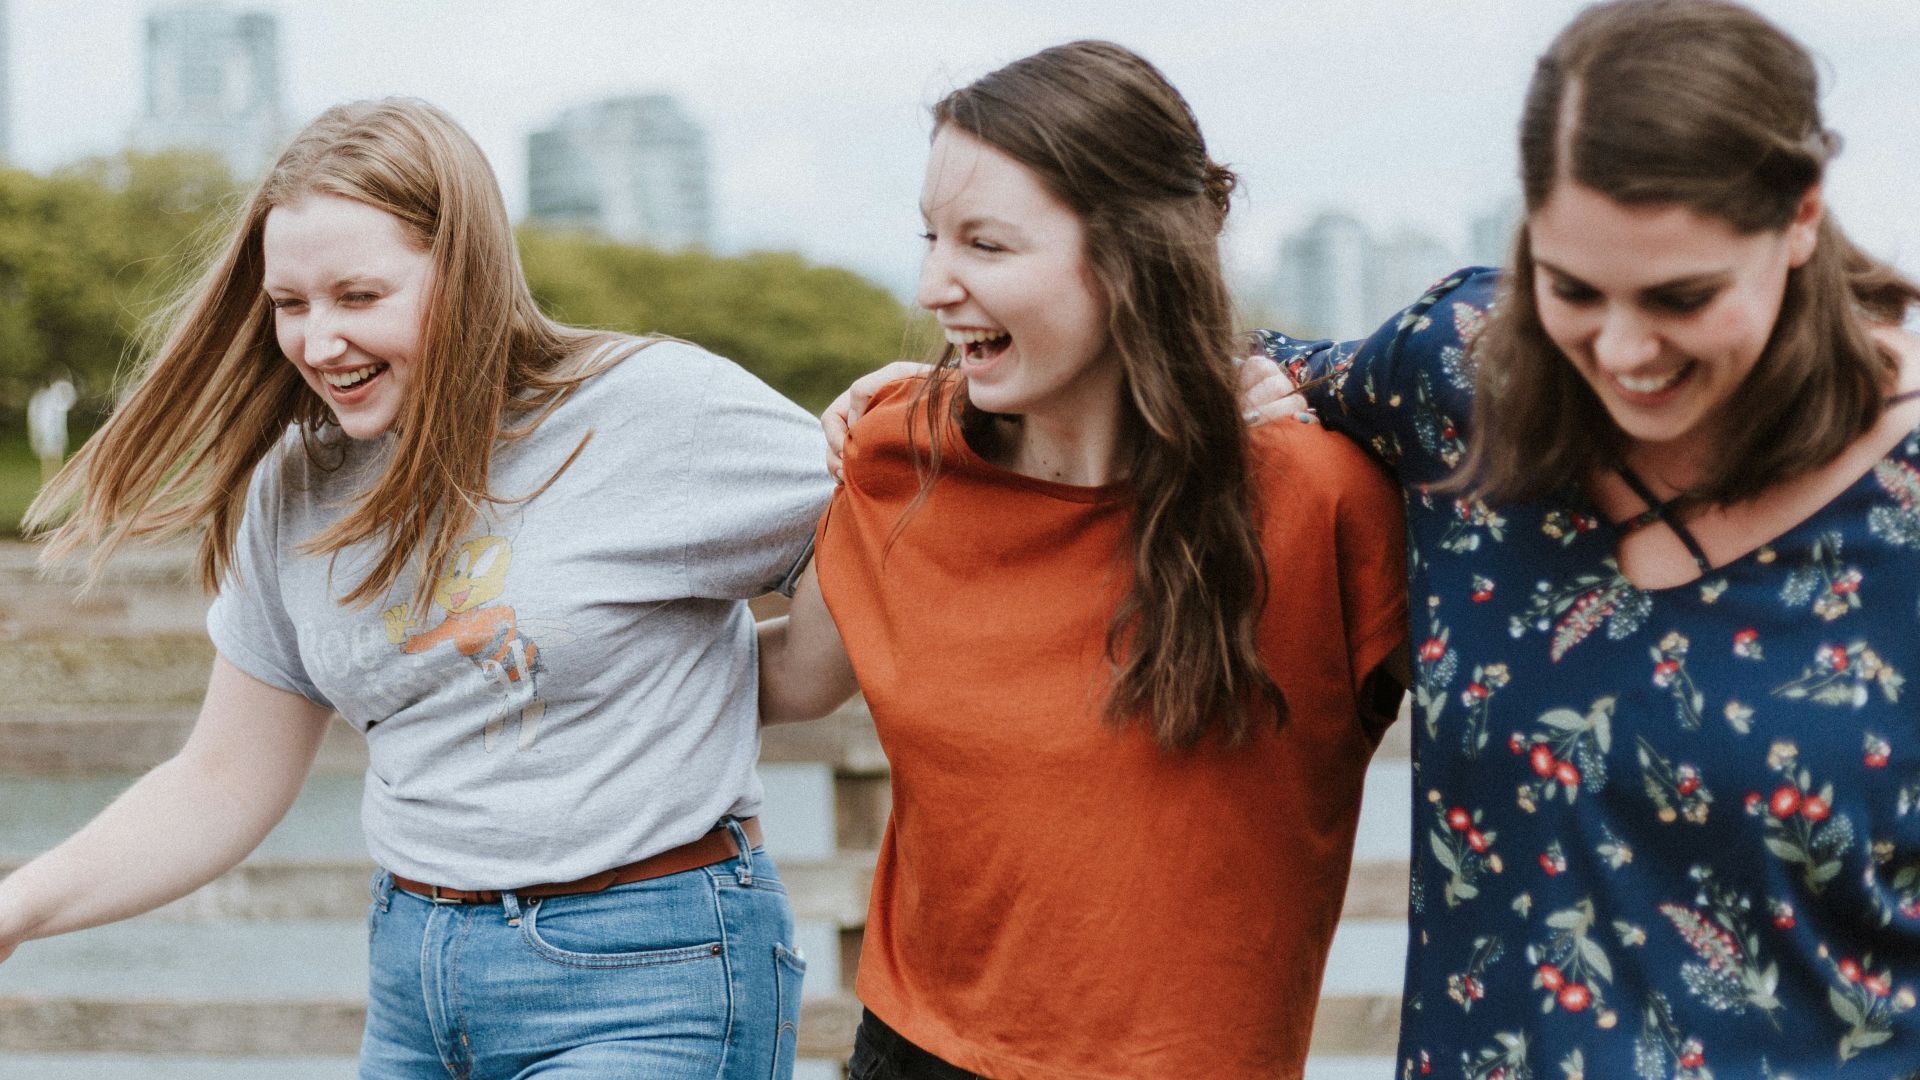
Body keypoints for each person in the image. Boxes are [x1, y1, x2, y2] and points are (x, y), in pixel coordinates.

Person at [5, 98, 831, 1079]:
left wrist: (748, 682)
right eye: (290, 304)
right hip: (417, 982)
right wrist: (16, 908)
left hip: (651, 976)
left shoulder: (652, 409)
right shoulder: (295, 485)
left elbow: (884, 531)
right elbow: (222, 780)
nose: (317, 342)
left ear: (466, 275)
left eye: (359, 297)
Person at [1242, 0, 1920, 1072]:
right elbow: (1216, 369)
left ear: (1800, 219)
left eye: (1681, 296)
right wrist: (931, 408)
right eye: (1572, 289)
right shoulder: (1463, 371)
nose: (1622, 349)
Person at [759, 41, 1409, 1080]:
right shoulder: (895, 455)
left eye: (987, 244)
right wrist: (532, 645)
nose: (934, 284)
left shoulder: (1322, 500)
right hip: (911, 1055)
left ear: (1133, 254)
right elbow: (789, 678)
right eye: (931, 238)